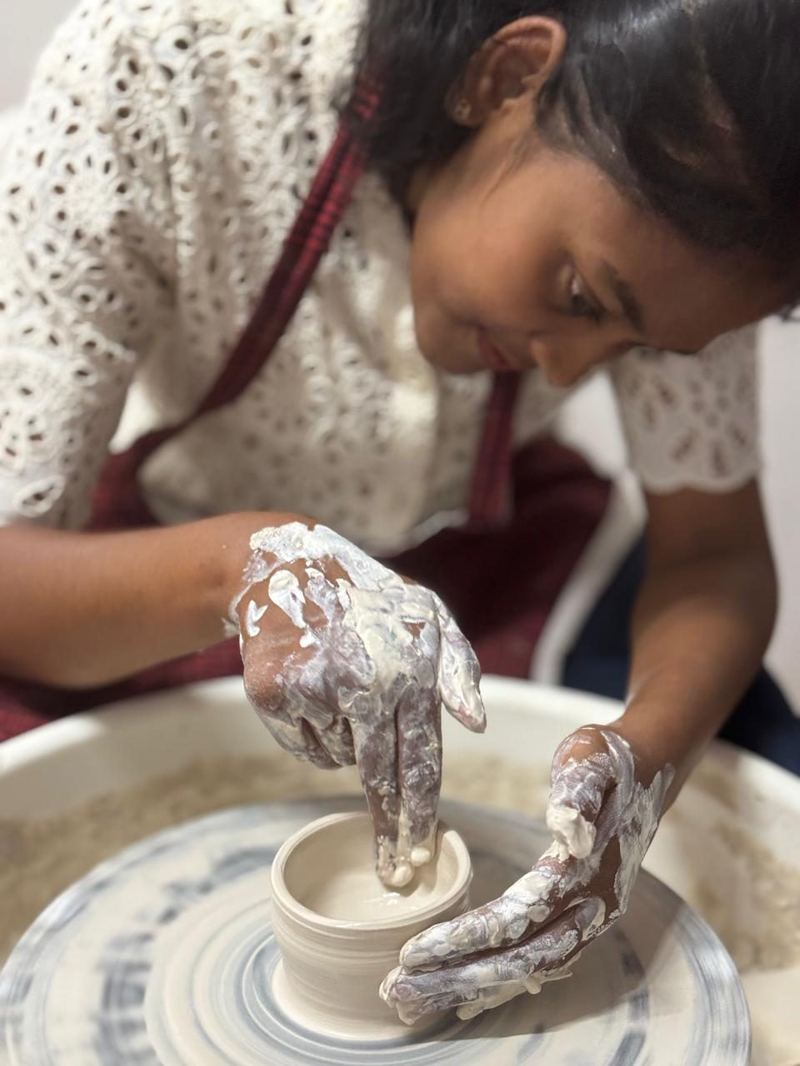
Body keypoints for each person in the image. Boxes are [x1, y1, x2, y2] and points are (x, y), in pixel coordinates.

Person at [1, 0, 799, 1023]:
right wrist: (240, 569)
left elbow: (713, 556)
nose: (568, 364)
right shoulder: (160, 74)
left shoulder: (705, 218)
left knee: (748, 769)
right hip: (170, 554)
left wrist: (644, 763)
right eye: (581, 297)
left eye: (634, 348)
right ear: (505, 81)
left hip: (478, 545)